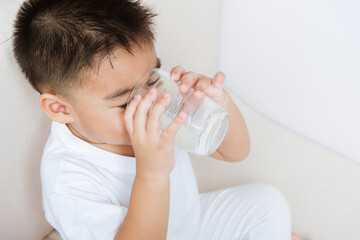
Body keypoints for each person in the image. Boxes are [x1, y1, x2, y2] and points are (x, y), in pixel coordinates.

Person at [12, 0, 302, 239]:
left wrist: (219, 103)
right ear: (60, 109)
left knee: (268, 202)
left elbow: (235, 153)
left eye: (153, 78)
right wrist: (151, 171)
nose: (150, 103)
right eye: (126, 102)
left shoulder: (160, 107)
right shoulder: (69, 180)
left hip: (189, 225)